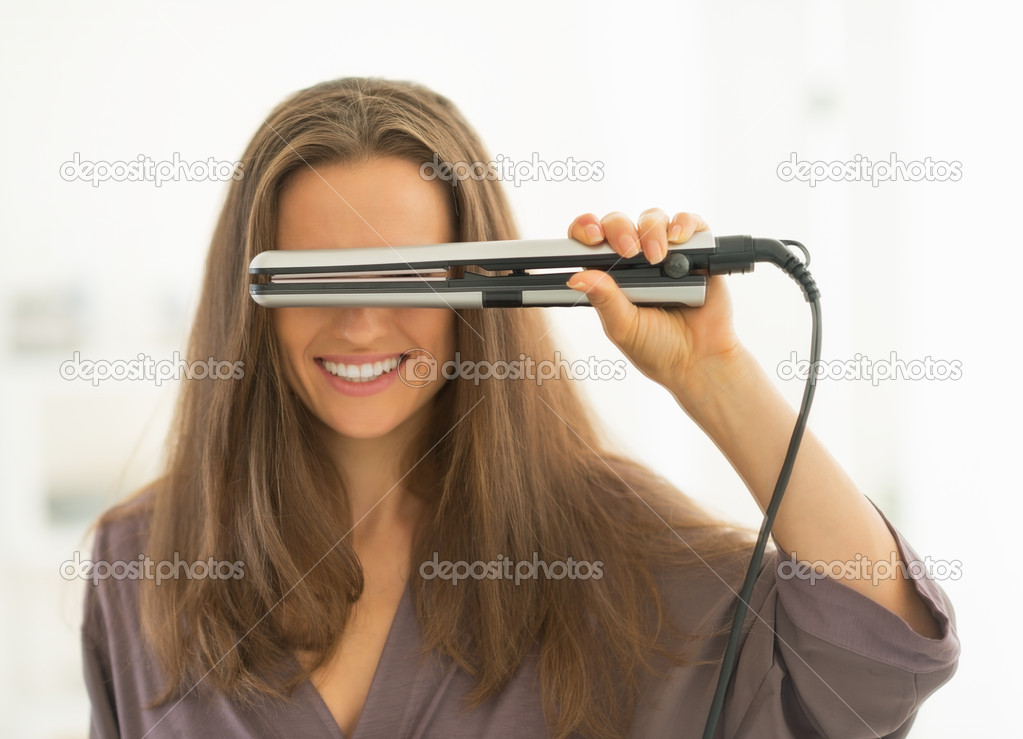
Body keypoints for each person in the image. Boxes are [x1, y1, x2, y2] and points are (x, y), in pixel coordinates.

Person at [81, 77, 960, 739]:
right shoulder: (139, 561)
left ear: (483, 286)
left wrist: (718, 377)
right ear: (250, 296)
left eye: (409, 275)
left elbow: (874, 654)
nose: (358, 323)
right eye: (318, 277)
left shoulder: (607, 546)